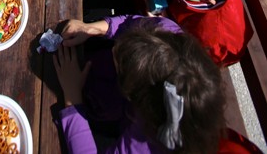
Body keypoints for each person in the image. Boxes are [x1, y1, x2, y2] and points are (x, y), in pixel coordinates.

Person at [55, 16, 239, 154]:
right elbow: (130, 21)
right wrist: (94, 28)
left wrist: (73, 99)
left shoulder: (147, 142)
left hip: (104, 121)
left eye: (118, 62)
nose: (113, 48)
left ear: (140, 103)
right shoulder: (165, 32)